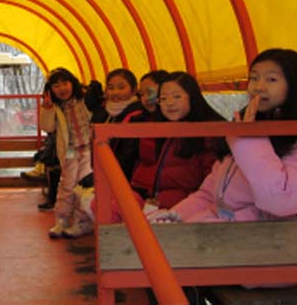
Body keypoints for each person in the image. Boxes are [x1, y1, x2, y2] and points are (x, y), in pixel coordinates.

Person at [149, 49, 297, 225]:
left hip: (279, 243)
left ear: (294, 86)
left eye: (271, 79)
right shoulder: (245, 132)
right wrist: (176, 215)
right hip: (234, 234)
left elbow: (281, 200)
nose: (258, 87)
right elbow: (210, 195)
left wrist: (249, 139)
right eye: (254, 78)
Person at [80, 71, 220, 226]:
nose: (169, 103)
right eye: (164, 98)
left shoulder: (208, 134)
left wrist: (157, 201)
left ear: (193, 96)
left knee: (114, 214)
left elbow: (209, 189)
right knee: (101, 205)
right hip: (154, 198)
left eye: (177, 96)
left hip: (182, 208)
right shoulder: (167, 129)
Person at [41, 68, 95, 239]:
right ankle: (62, 220)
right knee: (66, 185)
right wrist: (47, 108)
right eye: (56, 86)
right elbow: (47, 127)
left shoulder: (85, 100)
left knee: (84, 186)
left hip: (89, 148)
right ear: (50, 90)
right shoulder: (56, 107)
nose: (62, 89)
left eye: (65, 83)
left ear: (72, 83)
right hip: (71, 150)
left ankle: (82, 222)